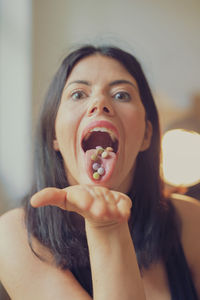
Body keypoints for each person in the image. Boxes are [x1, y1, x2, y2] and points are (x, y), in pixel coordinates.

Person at [0, 45, 200, 300]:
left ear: (147, 135)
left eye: (121, 95)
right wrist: (106, 227)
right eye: (78, 94)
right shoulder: (16, 234)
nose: (100, 103)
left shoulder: (191, 221)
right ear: (54, 135)